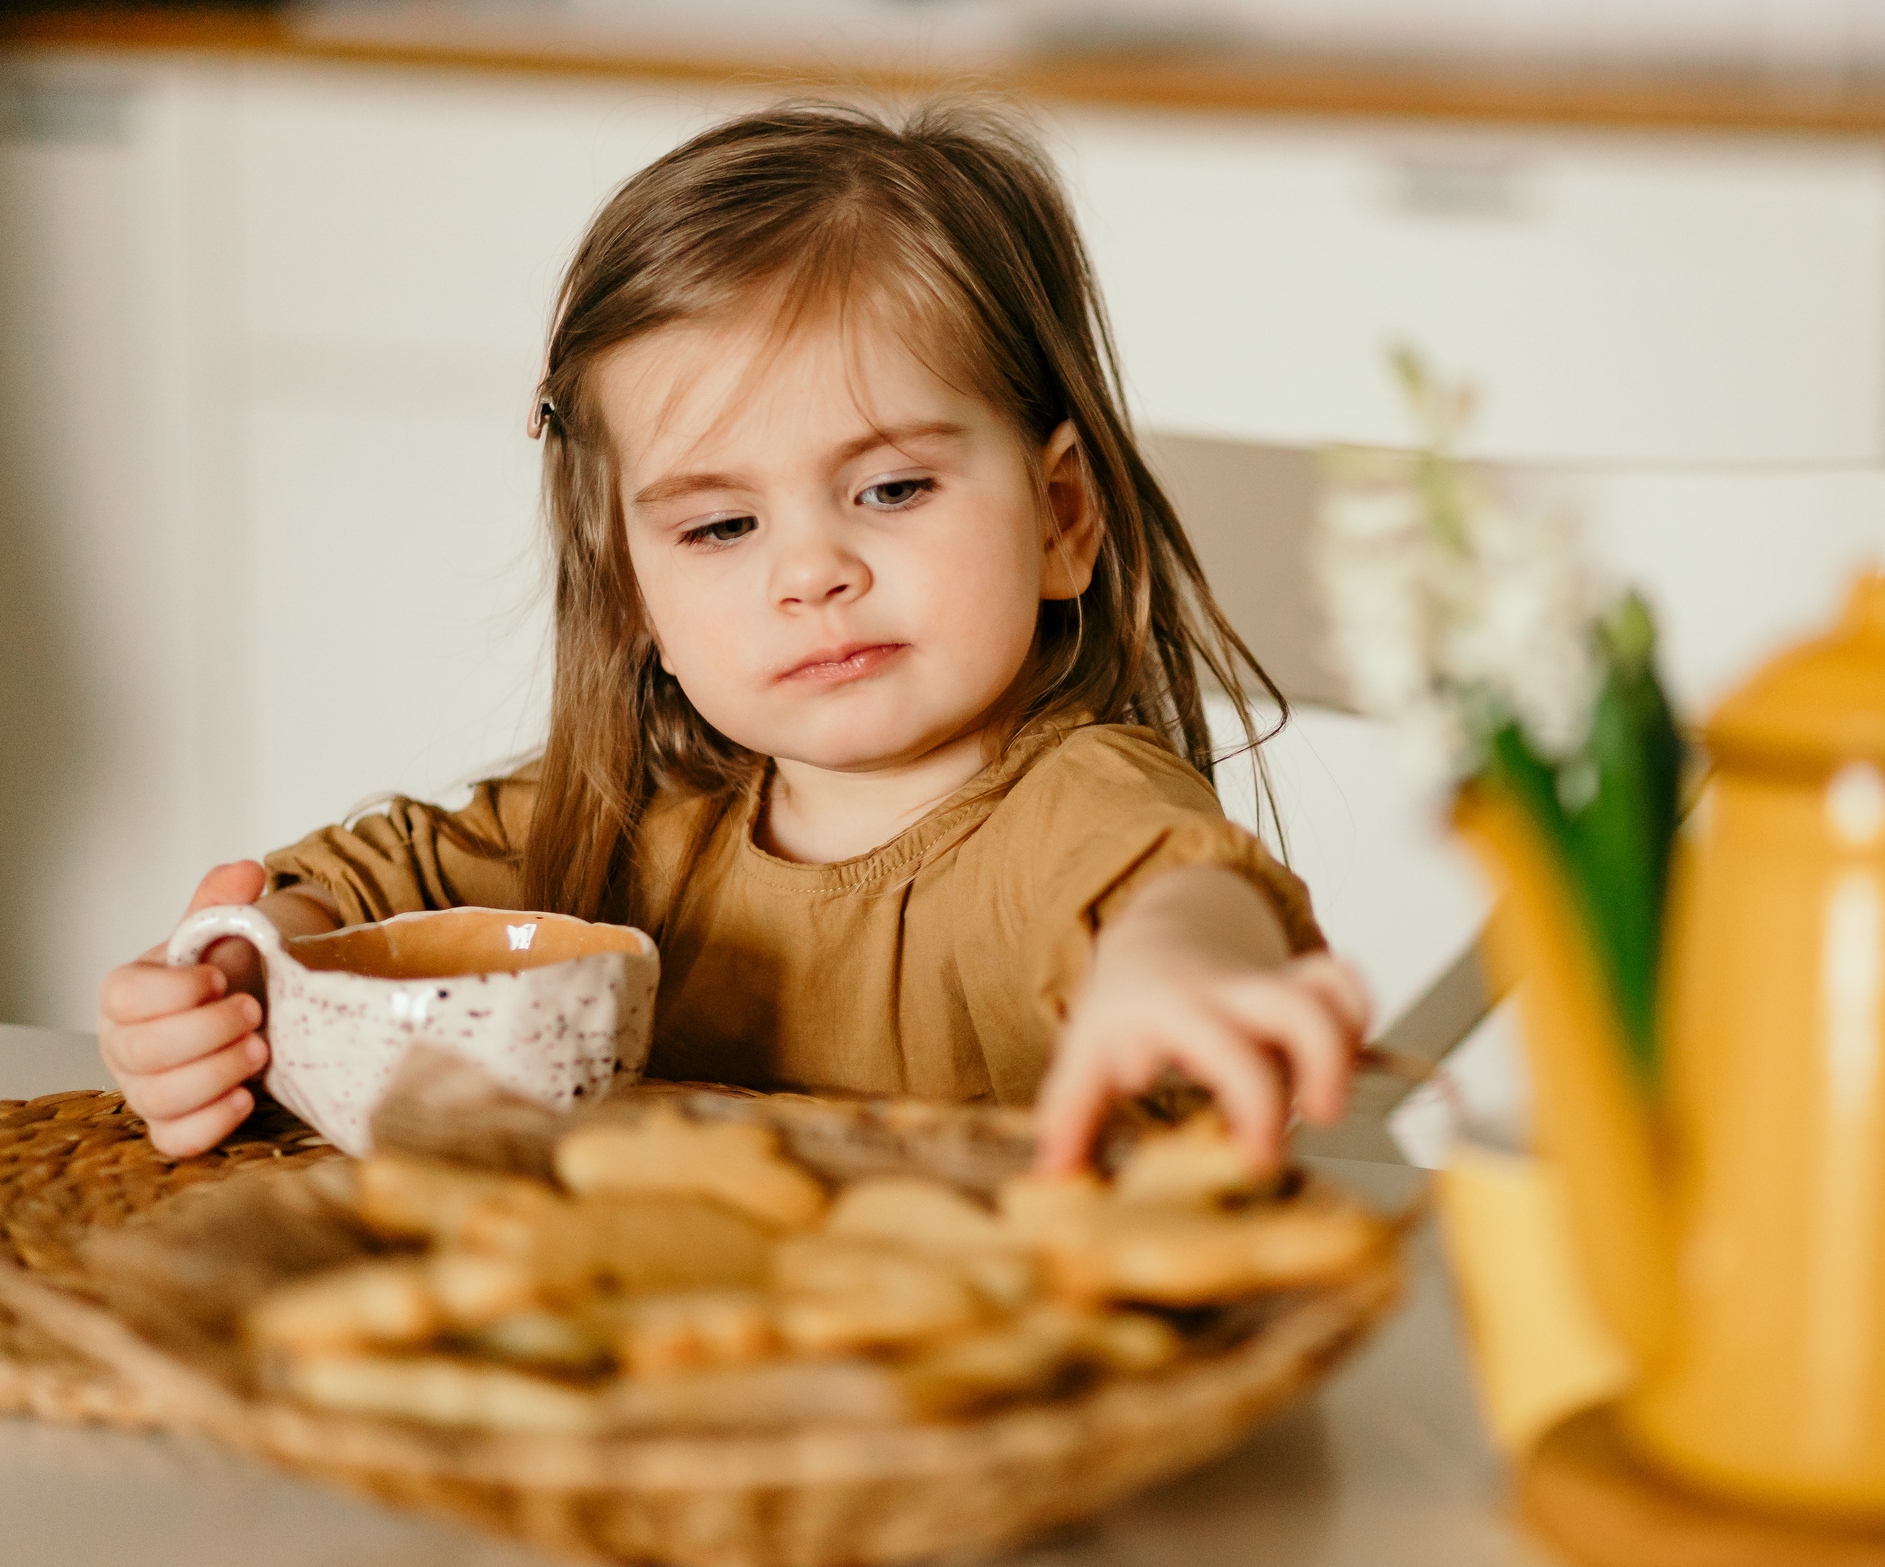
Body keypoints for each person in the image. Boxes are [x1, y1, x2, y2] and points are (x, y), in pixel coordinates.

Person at [95, 99, 1367, 1166]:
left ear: (1061, 517)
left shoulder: (1071, 809)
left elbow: (1183, 895)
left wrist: (1181, 972)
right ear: (633, 596)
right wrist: (242, 984)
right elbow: (379, 891)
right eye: (719, 527)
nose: (811, 573)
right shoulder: (640, 814)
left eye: (891, 490)